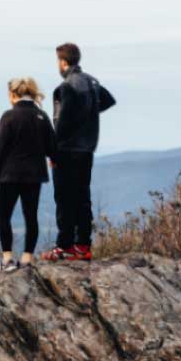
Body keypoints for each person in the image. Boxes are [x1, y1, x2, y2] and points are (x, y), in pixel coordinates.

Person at [42, 44, 116, 262]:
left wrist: (53, 153)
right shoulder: (92, 82)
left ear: (63, 62)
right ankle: (83, 245)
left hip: (66, 150)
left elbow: (62, 123)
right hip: (87, 149)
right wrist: (88, 112)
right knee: (82, 197)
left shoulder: (66, 86)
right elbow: (109, 100)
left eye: (58, 61)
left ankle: (64, 246)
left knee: (64, 198)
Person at [0, 77, 57, 270]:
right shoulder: (41, 116)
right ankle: (26, 259)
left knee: (4, 216)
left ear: (12, 94)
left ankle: (7, 259)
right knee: (30, 216)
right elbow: (52, 148)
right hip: (34, 176)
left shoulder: (8, 116)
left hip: (9, 175)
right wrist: (54, 159)